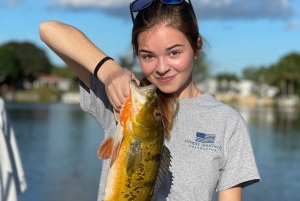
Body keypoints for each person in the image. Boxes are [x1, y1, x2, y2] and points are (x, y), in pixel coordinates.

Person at [39, 0, 260, 200]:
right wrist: (108, 71)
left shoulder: (228, 122)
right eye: (148, 56)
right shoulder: (124, 98)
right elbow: (48, 30)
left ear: (196, 46)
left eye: (174, 53)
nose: (162, 67)